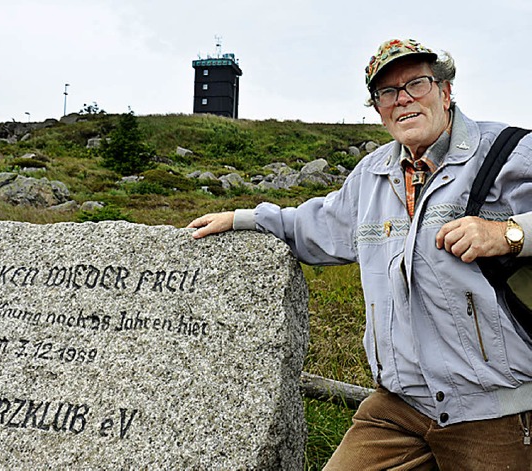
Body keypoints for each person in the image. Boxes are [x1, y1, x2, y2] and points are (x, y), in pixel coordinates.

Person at [187, 38, 532, 469]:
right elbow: (313, 226)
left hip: (491, 405)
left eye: (416, 84)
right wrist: (242, 218)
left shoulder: (508, 151)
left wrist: (509, 233)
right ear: (378, 109)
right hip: (399, 405)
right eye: (387, 92)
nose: (402, 99)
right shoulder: (372, 174)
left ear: (445, 91)